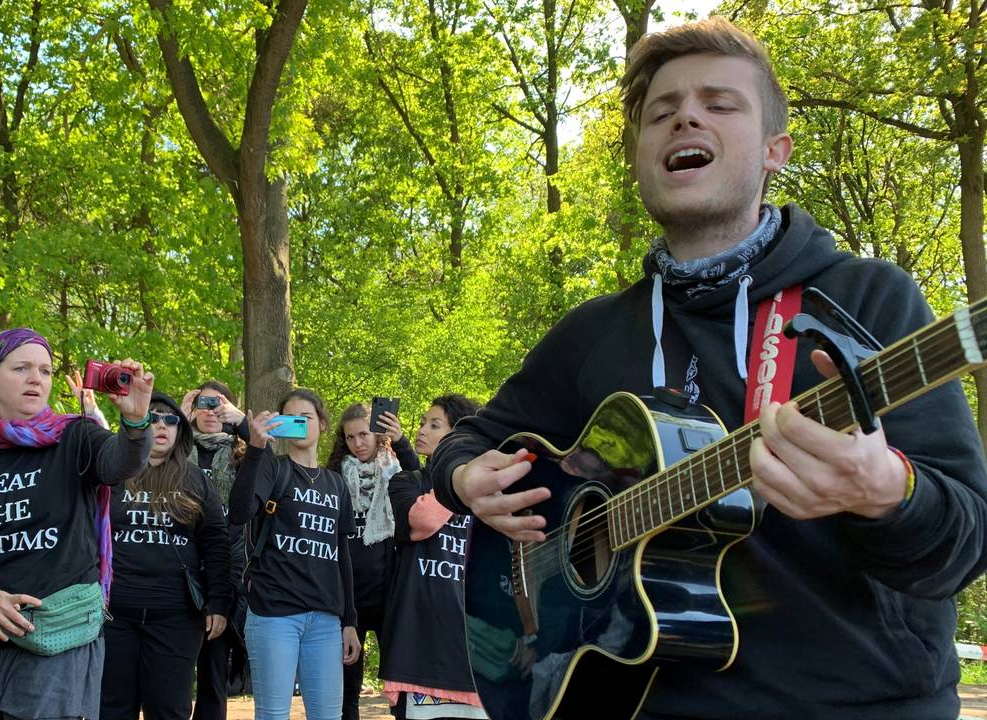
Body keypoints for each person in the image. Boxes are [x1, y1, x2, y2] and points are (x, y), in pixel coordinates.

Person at [430, 18, 987, 720]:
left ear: (775, 151)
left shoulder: (869, 298)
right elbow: (467, 440)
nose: (686, 117)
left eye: (719, 104)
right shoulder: (591, 335)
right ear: (639, 158)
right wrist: (463, 477)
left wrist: (889, 494)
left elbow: (966, 541)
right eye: (661, 112)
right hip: (628, 701)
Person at [0, 329, 153, 720]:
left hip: (55, 640)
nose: (35, 379)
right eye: (21, 368)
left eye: (45, 370)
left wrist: (136, 422)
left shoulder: (76, 437)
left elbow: (122, 464)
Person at [229, 389, 362, 720]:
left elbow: (342, 555)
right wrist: (256, 449)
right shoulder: (273, 468)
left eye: (307, 417)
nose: (300, 423)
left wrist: (349, 622)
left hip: (326, 619)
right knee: (273, 714)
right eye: (292, 417)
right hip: (275, 613)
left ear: (322, 424)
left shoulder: (336, 484)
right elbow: (239, 512)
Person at [100, 391, 231, 719]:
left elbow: (216, 544)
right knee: (111, 709)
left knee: (169, 710)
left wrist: (219, 602)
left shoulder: (195, 479)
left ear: (180, 430)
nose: (161, 425)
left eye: (171, 420)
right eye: (153, 418)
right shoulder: (112, 475)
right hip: (113, 614)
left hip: (176, 617)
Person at [380, 394, 484, 719]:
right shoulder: (406, 482)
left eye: (434, 425)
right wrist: (460, 479)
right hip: (418, 650)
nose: (421, 430)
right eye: (424, 422)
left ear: (459, 437)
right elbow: (422, 521)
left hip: (474, 655)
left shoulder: (490, 496)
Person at [327, 402, 419, 720]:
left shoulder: (394, 471)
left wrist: (402, 441)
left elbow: (422, 480)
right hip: (348, 598)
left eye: (364, 434)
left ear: (377, 435)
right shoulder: (334, 478)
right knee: (347, 689)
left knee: (399, 685)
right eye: (350, 437)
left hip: (389, 595)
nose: (358, 443)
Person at [180, 381, 249, 720]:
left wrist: (242, 422)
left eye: (218, 404)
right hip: (180, 570)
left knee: (213, 674)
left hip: (224, 573)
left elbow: (266, 459)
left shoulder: (243, 455)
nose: (209, 411)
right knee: (175, 675)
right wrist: (178, 421)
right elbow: (140, 458)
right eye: (202, 404)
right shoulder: (175, 450)